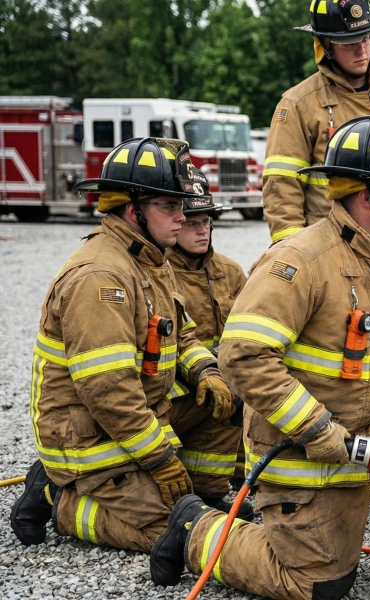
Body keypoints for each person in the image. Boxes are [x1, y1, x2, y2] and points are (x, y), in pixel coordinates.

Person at [147, 116, 370, 600]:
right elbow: (243, 356)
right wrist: (316, 429)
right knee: (318, 585)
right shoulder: (302, 261)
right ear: (364, 193)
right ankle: (195, 530)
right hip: (305, 448)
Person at [9, 137, 233, 554]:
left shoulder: (150, 256)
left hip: (140, 415)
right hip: (89, 438)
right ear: (134, 210)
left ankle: (201, 492)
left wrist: (207, 372)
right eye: (170, 206)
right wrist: (160, 460)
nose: (184, 218)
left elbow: (180, 334)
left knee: (227, 397)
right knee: (171, 533)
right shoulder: (100, 277)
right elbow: (110, 392)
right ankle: (59, 499)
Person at [262, 0, 370, 243]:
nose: (361, 49)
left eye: (366, 38)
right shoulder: (298, 104)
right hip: (331, 246)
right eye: (348, 42)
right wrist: (294, 251)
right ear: (324, 45)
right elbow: (282, 188)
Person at [166, 186, 252, 495]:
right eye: (192, 224)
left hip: (218, 375)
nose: (203, 231)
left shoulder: (229, 272)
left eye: (207, 222)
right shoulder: (160, 275)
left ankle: (232, 483)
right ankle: (208, 490)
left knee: (248, 388)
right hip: (173, 386)